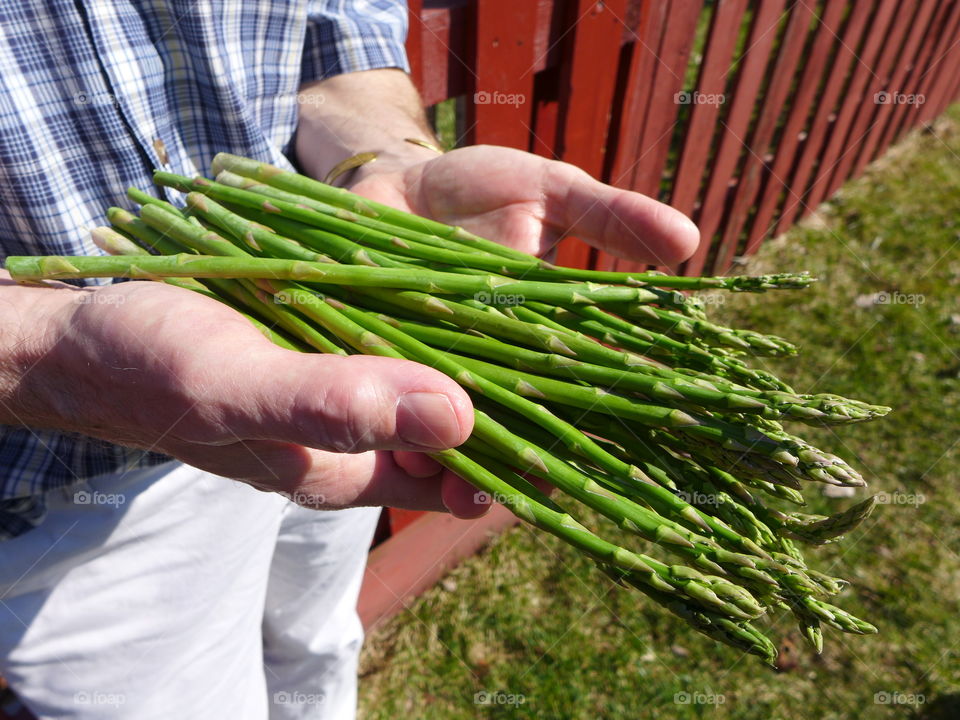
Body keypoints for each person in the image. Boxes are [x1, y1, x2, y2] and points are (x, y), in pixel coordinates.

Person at [0, 1, 699, 717]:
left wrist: (385, 158)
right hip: (71, 478)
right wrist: (42, 348)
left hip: (329, 368)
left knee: (321, 646)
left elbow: (341, 29)